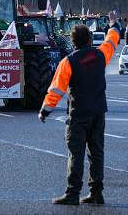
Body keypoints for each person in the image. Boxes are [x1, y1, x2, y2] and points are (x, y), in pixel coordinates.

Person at [38, 11, 120, 206]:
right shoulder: (100, 55)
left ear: (72, 41)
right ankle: (96, 193)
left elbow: (56, 90)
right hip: (98, 113)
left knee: (76, 154)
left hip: (79, 115)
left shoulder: (69, 62)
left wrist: (45, 111)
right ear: (90, 39)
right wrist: (113, 25)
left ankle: (72, 193)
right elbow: (112, 40)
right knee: (96, 154)